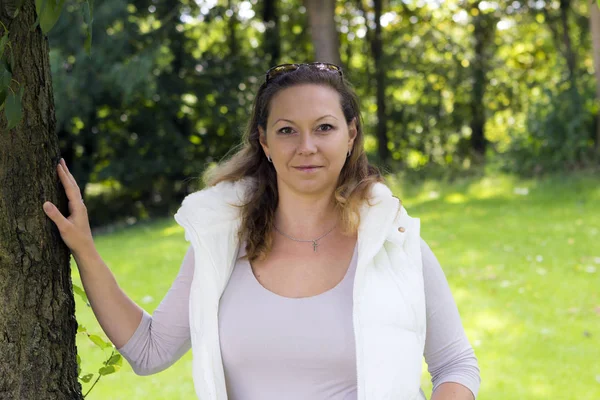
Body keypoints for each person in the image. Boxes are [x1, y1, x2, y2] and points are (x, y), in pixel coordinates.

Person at [43, 62, 481, 400]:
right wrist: (83, 247)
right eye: (287, 130)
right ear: (265, 143)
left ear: (350, 135)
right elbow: (149, 351)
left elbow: (456, 363)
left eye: (324, 128)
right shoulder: (221, 243)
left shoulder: (394, 241)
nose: (306, 146)